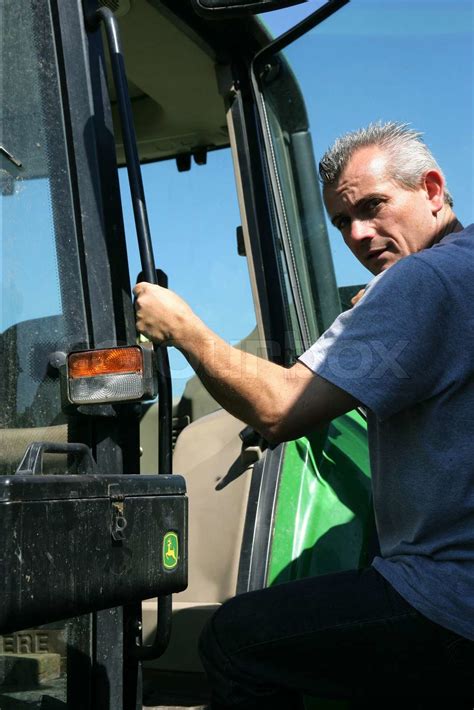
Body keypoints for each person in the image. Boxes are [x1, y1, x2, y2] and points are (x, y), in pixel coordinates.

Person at [134, 122, 474, 708]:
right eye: (342, 222)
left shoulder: (423, 281)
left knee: (235, 641)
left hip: (448, 599)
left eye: (374, 207)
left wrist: (183, 329)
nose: (360, 235)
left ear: (433, 189)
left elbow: (280, 406)